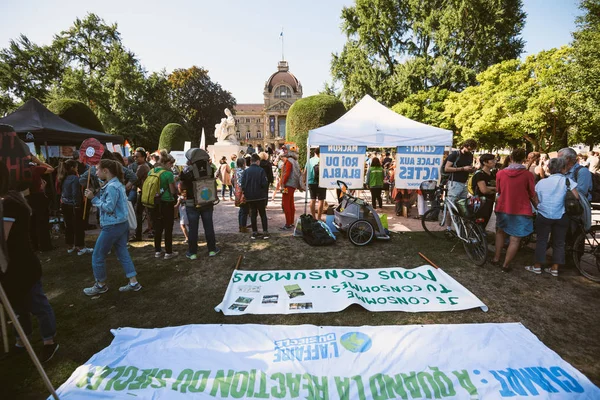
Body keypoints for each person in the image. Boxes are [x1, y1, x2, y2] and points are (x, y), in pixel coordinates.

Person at [1, 162, 59, 362]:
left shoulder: (10, 204)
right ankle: (21, 341)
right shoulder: (11, 201)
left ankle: (49, 341)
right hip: (13, 265)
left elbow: (3, 237)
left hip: (22, 265)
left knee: (37, 304)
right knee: (19, 306)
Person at [83, 159, 141, 295]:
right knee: (122, 252)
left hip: (112, 225)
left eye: (97, 169)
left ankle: (100, 285)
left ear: (105, 171)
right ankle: (133, 282)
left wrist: (93, 198)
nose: (95, 172)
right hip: (120, 224)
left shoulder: (112, 186)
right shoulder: (115, 184)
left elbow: (109, 207)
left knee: (97, 255)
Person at [526, 157, 579, 277]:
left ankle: (537, 266)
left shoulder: (542, 182)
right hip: (562, 215)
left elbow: (535, 198)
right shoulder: (568, 181)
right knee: (559, 242)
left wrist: (539, 207)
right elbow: (576, 197)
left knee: (541, 241)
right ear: (564, 168)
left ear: (549, 168)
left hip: (544, 215)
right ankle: (555, 268)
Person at [491, 148, 539, 272]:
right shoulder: (528, 175)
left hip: (503, 207)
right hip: (521, 209)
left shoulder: (500, 173)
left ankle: (496, 258)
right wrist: (538, 206)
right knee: (515, 238)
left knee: (500, 232)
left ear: (510, 158)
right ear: (524, 159)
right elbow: (532, 193)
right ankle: (505, 265)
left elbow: (498, 190)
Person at [179, 149, 219, 260]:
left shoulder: (187, 171)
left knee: (192, 228)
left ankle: (192, 253)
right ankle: (212, 250)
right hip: (207, 202)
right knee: (209, 226)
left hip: (192, 203)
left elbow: (182, 186)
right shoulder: (210, 169)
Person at [149, 150, 178, 259]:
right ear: (167, 163)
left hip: (154, 202)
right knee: (168, 228)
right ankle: (168, 252)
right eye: (171, 164)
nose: (172, 166)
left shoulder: (152, 171)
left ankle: (157, 251)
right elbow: (172, 191)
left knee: (157, 227)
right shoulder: (168, 174)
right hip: (166, 203)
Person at [59, 160, 92, 255]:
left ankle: (70, 245)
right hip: (73, 205)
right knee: (78, 226)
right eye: (76, 167)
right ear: (73, 167)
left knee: (69, 226)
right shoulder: (74, 178)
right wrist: (77, 204)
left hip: (65, 204)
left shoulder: (63, 177)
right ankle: (80, 246)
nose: (77, 169)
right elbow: (75, 193)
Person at [26, 155, 55, 252]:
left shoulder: (20, 170)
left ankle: (34, 246)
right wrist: (39, 161)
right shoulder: (35, 168)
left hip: (26, 197)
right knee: (42, 222)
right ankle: (45, 246)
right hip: (38, 197)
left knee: (31, 223)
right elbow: (51, 169)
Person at [242, 154, 270, 239]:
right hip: (260, 196)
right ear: (258, 161)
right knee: (262, 214)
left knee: (253, 214)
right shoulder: (261, 170)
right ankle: (265, 232)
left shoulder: (246, 171)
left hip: (250, 196)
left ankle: (254, 232)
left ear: (250, 162)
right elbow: (264, 183)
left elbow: (243, 184)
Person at [444, 139, 477, 205]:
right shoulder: (455, 154)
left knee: (462, 204)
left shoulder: (470, 155)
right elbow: (447, 168)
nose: (470, 150)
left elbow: (469, 166)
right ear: (465, 146)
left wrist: (472, 169)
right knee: (452, 203)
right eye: (469, 148)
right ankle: (448, 215)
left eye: (471, 149)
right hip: (455, 182)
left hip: (464, 182)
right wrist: (463, 169)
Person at [130, 149, 152, 241]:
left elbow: (134, 179)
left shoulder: (142, 167)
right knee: (146, 213)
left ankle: (138, 235)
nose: (135, 158)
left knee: (138, 213)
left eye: (137, 156)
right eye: (134, 156)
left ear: (143, 157)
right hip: (145, 191)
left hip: (143, 192)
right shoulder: (145, 165)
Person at [279, 149, 304, 230]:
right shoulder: (295, 161)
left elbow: (286, 173)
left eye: (285, 151)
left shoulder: (289, 161)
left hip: (287, 185)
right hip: (293, 185)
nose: (284, 153)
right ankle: (291, 222)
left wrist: (282, 183)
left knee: (286, 203)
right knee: (291, 203)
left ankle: (288, 223)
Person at [471, 154, 497, 229]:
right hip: (480, 202)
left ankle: (481, 237)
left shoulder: (492, 174)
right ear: (485, 162)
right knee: (479, 222)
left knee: (485, 221)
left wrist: (490, 188)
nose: (494, 162)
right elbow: (484, 190)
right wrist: (494, 189)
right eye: (492, 160)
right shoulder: (480, 174)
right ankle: (475, 237)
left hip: (490, 201)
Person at [306, 148, 327, 220]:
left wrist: (303, 181)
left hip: (311, 182)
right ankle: (319, 218)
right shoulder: (323, 160)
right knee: (321, 200)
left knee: (312, 199)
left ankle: (313, 217)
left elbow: (305, 171)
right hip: (321, 182)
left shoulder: (309, 160)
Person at [233, 158, 249, 233]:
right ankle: (243, 227)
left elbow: (232, 181)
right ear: (243, 163)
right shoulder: (244, 171)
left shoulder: (235, 171)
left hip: (237, 192)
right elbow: (244, 182)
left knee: (241, 210)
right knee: (244, 210)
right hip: (243, 192)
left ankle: (241, 226)